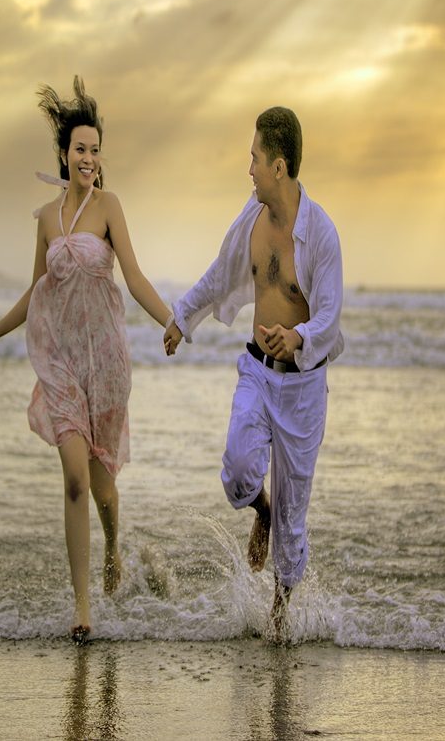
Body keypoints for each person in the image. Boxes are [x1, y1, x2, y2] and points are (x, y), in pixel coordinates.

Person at [0, 76, 171, 643]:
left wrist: (172, 319)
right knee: (76, 481)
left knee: (104, 487)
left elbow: (133, 278)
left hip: (105, 364)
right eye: (79, 148)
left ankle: (113, 548)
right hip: (59, 364)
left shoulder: (110, 206)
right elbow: (38, 292)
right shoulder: (47, 218)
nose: (88, 157)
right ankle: (83, 609)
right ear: (64, 154)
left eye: (95, 148)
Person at [163, 106, 343, 641]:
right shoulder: (251, 220)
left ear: (280, 166)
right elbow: (219, 275)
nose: (250, 170)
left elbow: (330, 318)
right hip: (257, 375)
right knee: (240, 469)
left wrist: (299, 337)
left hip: (304, 391)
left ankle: (278, 621)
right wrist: (181, 318)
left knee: (293, 522)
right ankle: (257, 509)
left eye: (255, 159)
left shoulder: (322, 236)